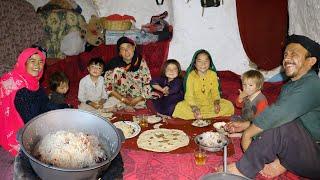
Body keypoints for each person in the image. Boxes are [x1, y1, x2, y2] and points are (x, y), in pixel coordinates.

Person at [223, 34, 320, 179]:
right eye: (286, 54)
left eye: (294, 54)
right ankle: (283, 163)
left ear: (311, 61)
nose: (287, 58)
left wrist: (248, 134)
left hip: (315, 155)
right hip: (300, 148)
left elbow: (278, 115)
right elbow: (273, 114)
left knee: (279, 122)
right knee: (272, 120)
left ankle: (243, 169)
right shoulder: (290, 86)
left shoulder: (312, 84)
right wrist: (248, 124)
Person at [0, 47, 69, 156]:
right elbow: (31, 121)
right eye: (32, 61)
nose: (37, 65)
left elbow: (45, 103)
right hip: (21, 126)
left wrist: (63, 107)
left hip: (34, 119)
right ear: (24, 63)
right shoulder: (21, 91)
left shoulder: (34, 83)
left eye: (40, 61)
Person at [172, 49, 234, 120]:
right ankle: (201, 114)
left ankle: (201, 116)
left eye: (206, 61)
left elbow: (215, 92)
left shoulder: (213, 74)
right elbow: (189, 95)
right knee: (180, 107)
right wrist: (195, 108)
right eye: (199, 61)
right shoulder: (191, 76)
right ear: (194, 63)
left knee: (229, 105)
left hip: (210, 103)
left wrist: (216, 103)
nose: (203, 64)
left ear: (210, 63)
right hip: (195, 103)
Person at [104, 36, 152, 110]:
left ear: (133, 48)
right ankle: (123, 105)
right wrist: (123, 99)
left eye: (128, 47)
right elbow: (108, 86)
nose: (126, 51)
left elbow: (147, 83)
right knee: (107, 108)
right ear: (120, 52)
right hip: (118, 97)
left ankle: (127, 106)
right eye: (122, 49)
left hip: (136, 97)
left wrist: (137, 99)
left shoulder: (140, 62)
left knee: (140, 107)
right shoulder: (113, 63)